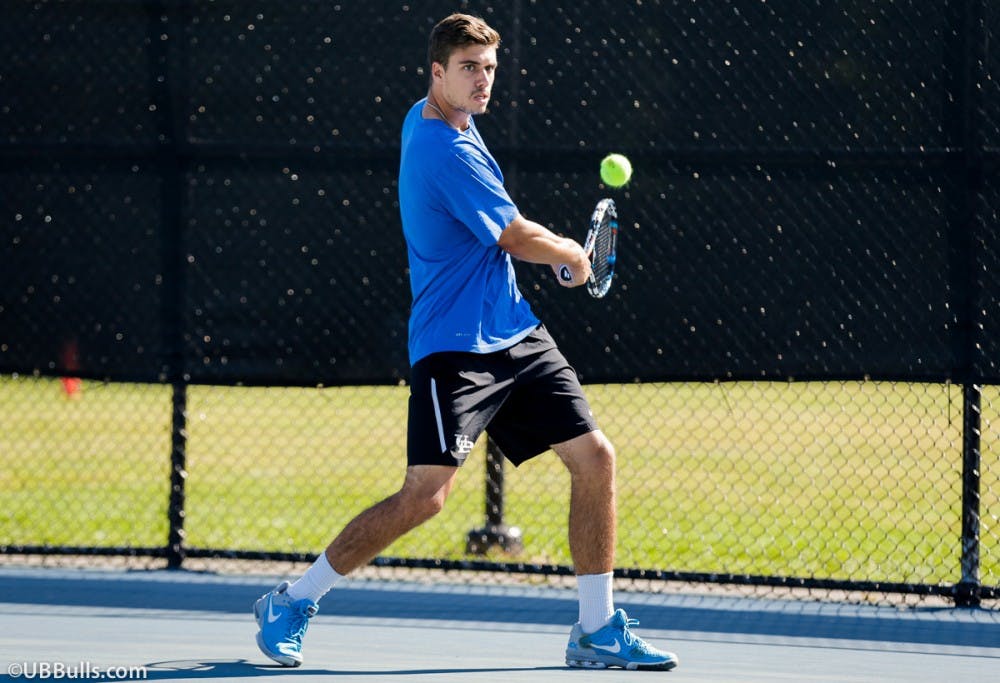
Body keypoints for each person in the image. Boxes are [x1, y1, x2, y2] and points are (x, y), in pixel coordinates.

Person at [253, 13, 678, 672]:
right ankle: (292, 599)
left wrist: (557, 257)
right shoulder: (439, 149)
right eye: (469, 69)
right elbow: (511, 234)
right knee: (425, 495)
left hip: (513, 329)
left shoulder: (440, 116)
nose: (483, 82)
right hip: (453, 344)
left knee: (595, 458)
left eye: (489, 70)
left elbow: (498, 232)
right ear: (436, 72)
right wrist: (570, 254)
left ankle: (596, 628)